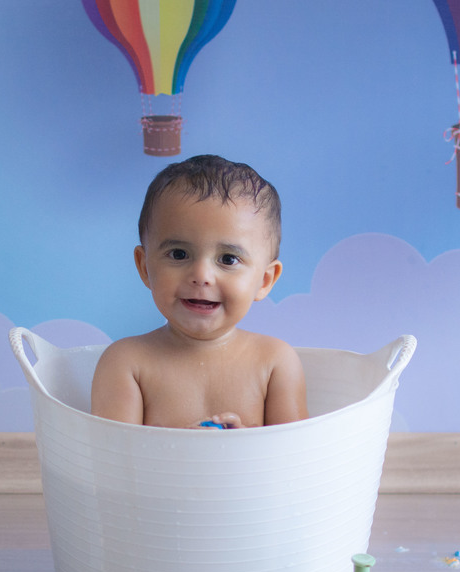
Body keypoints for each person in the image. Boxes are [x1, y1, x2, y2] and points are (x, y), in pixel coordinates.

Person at [91, 155, 308, 429]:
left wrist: (243, 442)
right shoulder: (126, 363)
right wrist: (184, 449)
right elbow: (110, 452)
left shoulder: (276, 363)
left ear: (265, 280)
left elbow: (296, 451)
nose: (202, 276)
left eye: (228, 259)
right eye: (179, 254)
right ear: (145, 267)